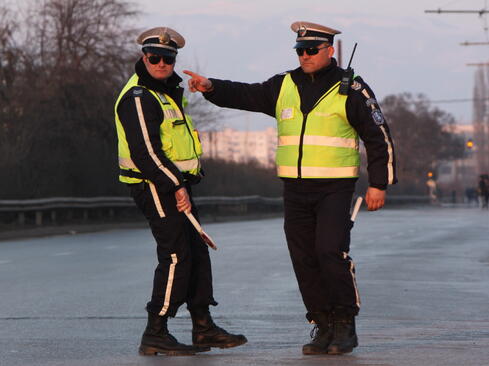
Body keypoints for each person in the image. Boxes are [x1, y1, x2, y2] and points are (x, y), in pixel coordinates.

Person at [184, 21, 397, 355]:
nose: (305, 56)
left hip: (334, 188)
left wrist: (379, 184)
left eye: (312, 50)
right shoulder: (283, 85)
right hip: (295, 190)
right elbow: (246, 94)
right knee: (303, 258)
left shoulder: (351, 88)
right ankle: (322, 325)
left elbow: (378, 136)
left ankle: (345, 324)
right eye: (300, 50)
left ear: (330, 50)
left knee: (329, 251)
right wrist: (211, 87)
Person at [114, 26, 247, 356]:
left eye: (167, 58)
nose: (160, 63)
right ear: (144, 58)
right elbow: (145, 153)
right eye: (154, 57)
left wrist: (181, 184)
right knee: (175, 255)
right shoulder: (139, 97)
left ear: (174, 60)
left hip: (175, 184)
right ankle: (155, 330)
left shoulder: (167, 92)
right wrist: (175, 186)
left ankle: (203, 327)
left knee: (196, 252)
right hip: (154, 185)